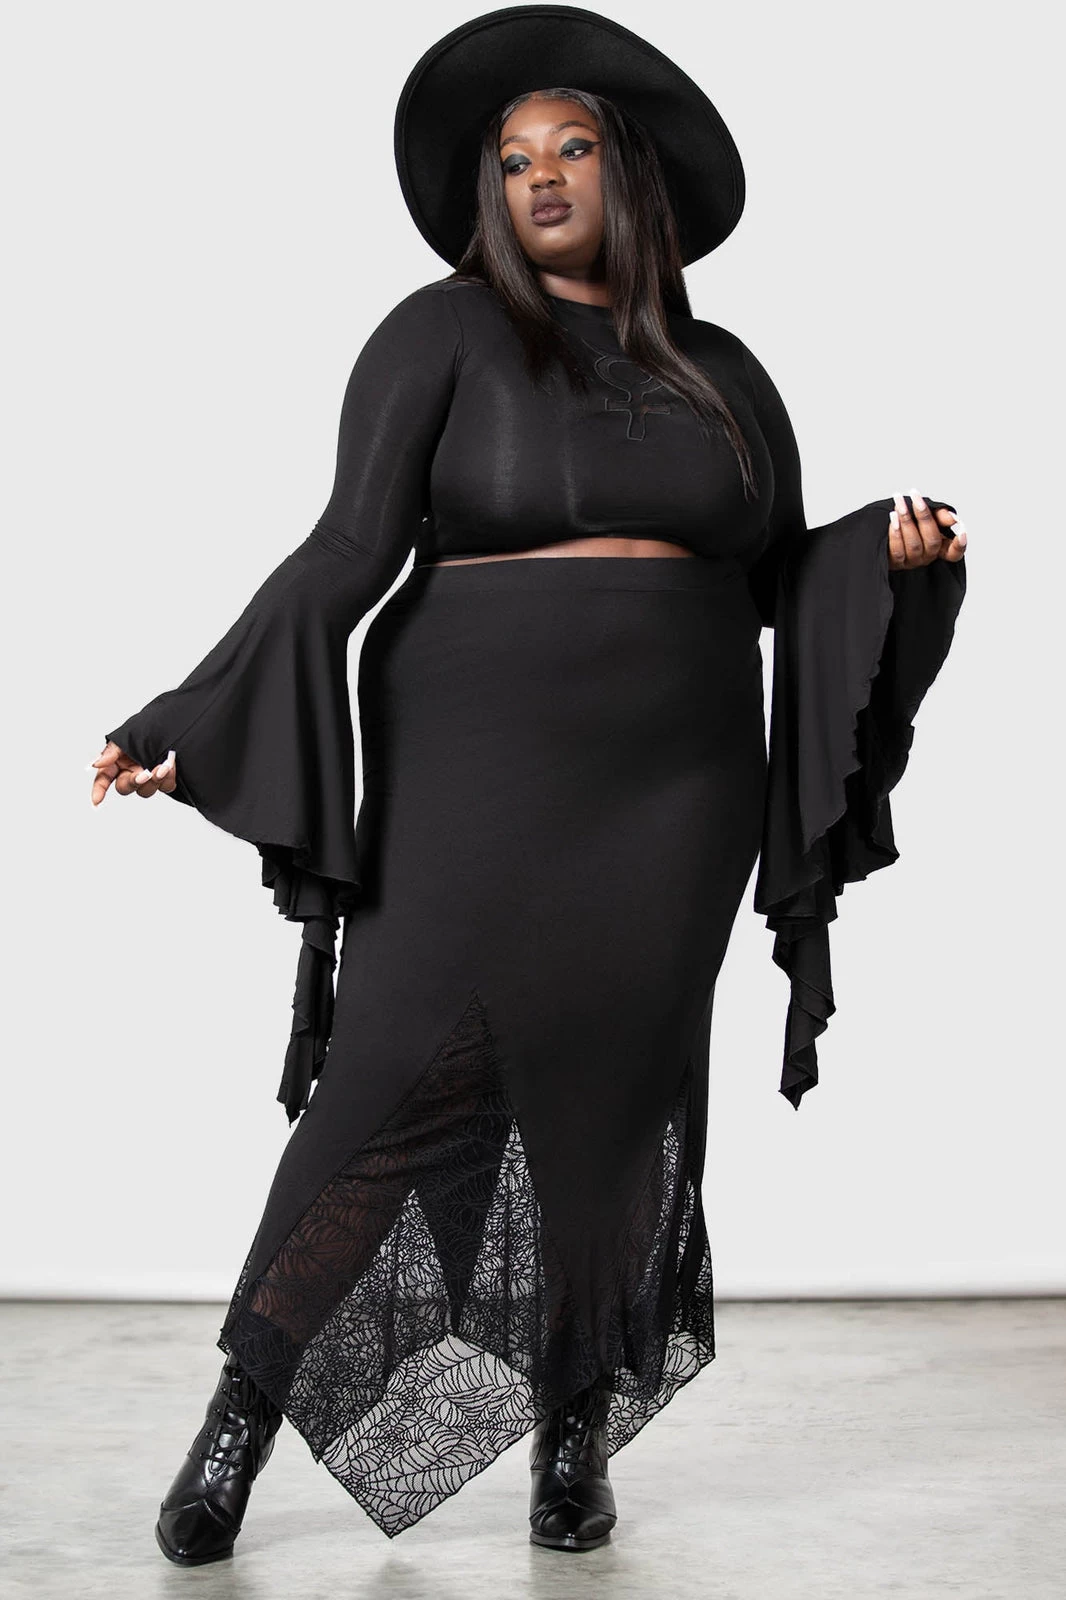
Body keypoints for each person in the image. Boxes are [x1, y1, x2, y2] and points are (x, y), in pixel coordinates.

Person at [90, 3, 968, 1565]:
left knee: (618, 1105)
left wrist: (882, 561)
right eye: (511, 159)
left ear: (630, 174)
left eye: (570, 149)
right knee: (383, 1091)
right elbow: (346, 550)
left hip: (677, 780)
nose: (540, 177)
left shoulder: (722, 369)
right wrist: (189, 711)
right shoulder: (437, 334)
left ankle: (576, 1438)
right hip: (477, 755)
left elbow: (772, 574)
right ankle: (237, 1424)